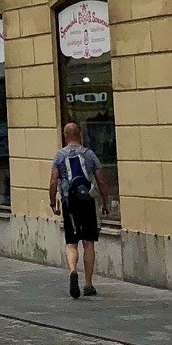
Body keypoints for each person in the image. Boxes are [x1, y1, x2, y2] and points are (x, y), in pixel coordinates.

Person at [50, 122, 109, 300]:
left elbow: (53, 182)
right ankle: (88, 283)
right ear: (80, 134)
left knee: (71, 242)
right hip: (88, 202)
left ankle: (73, 271)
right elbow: (101, 180)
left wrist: (53, 202)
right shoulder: (89, 154)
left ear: (65, 135)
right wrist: (105, 202)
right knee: (89, 242)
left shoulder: (59, 156)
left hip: (69, 203)